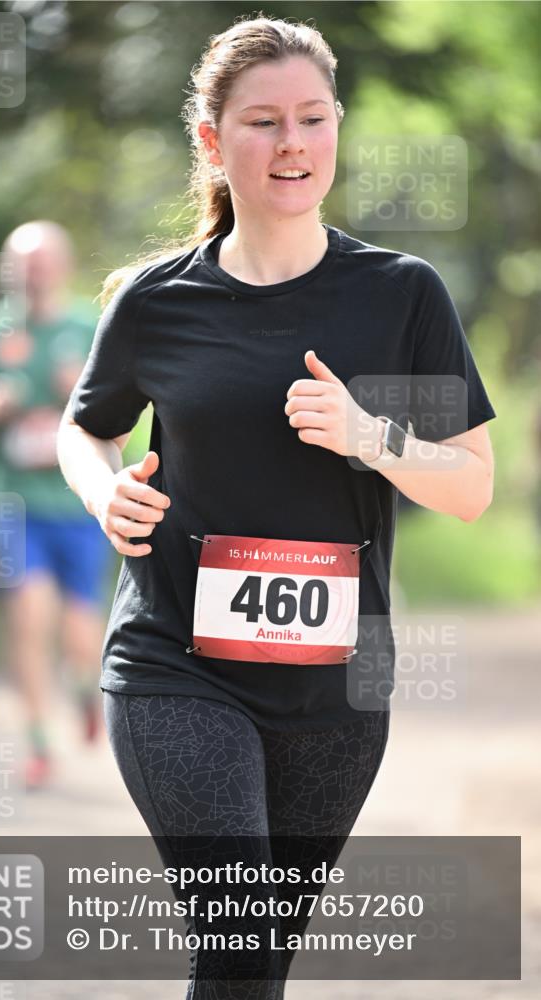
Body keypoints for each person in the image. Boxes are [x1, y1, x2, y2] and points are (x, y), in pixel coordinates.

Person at [57, 15, 496, 997]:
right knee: (241, 932)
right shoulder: (156, 301)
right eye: (262, 121)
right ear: (212, 140)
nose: (291, 142)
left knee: (254, 967)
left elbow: (470, 486)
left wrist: (365, 434)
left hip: (336, 689)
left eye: (311, 117)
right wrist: (103, 490)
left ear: (335, 126)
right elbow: (83, 426)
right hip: (176, 663)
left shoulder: (399, 297)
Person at [0, 221, 113, 789]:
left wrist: (79, 395)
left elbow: (123, 418)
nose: (31, 272)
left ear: (63, 267)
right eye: (20, 262)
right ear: (6, 268)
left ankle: (84, 688)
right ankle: (39, 740)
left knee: (79, 628)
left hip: (78, 498)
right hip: (12, 499)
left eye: (41, 262)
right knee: (28, 613)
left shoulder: (90, 328)